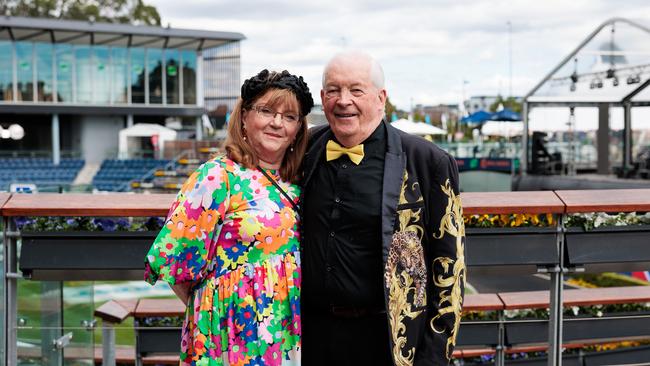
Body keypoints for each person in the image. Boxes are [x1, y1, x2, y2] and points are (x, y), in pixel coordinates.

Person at [301, 51, 466, 365]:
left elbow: (449, 274)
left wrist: (432, 358)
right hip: (312, 338)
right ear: (322, 98)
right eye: (333, 90)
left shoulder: (427, 162)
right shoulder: (305, 149)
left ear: (381, 98)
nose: (343, 100)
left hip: (388, 342)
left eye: (356, 90)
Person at [145, 69, 313, 365]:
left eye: (290, 116)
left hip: (290, 334)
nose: (277, 123)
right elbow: (176, 261)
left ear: (299, 129)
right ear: (244, 117)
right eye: (266, 111)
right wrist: (221, 311)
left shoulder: (302, 181)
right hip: (232, 337)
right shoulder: (218, 177)